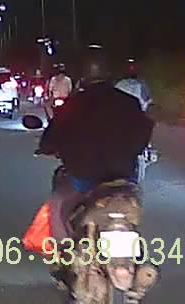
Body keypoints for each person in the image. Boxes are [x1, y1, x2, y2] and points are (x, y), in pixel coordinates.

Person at [38, 51, 154, 238]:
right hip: (124, 176)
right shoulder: (129, 102)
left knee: (58, 202)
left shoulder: (72, 105)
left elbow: (50, 138)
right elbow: (145, 131)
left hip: (85, 177)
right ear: (109, 74)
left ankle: (64, 249)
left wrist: (48, 148)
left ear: (83, 76)